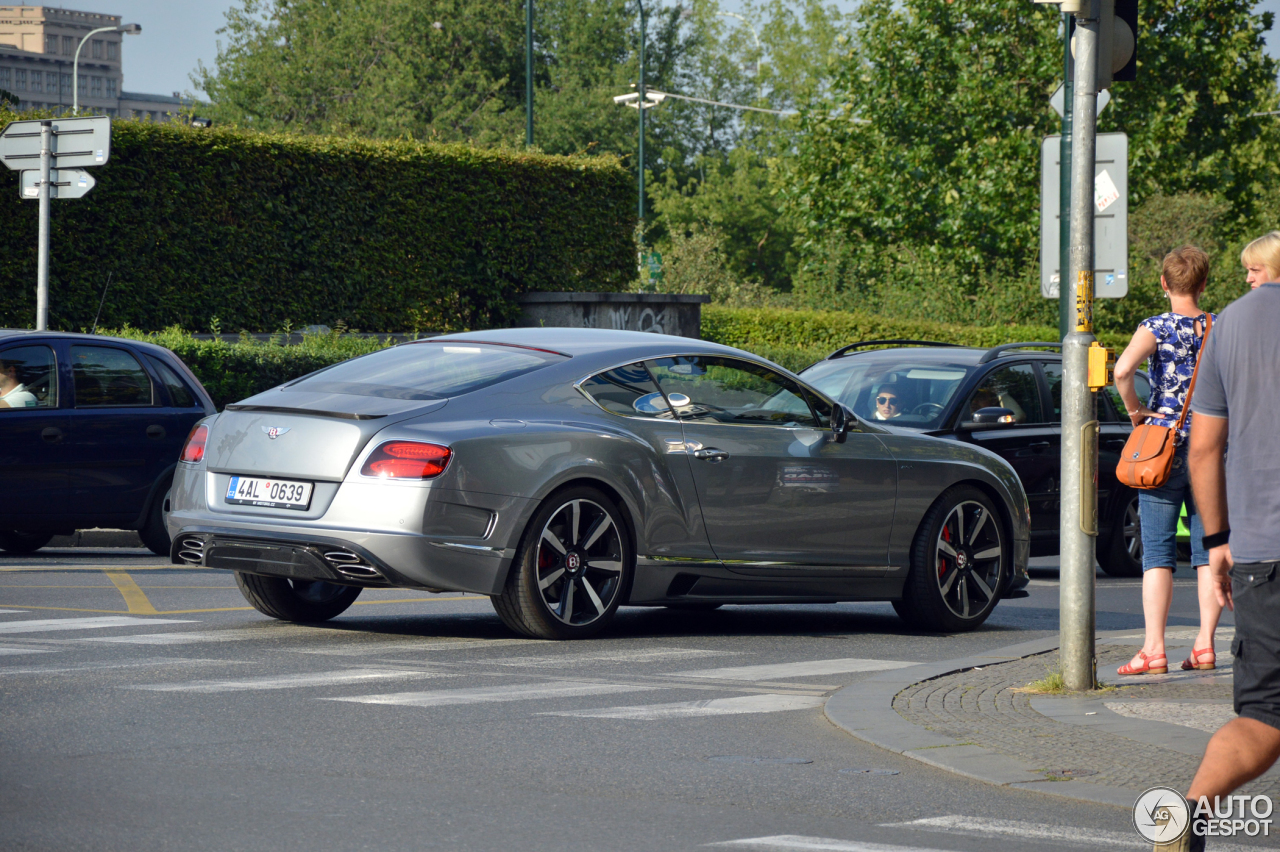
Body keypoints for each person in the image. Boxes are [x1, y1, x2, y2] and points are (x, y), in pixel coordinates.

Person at [1165, 249, 1280, 852]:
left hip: (1261, 549)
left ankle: (1185, 817)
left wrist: (1216, 544)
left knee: (1263, 713)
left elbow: (1203, 450)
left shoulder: (1228, 324)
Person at [1112, 246, 1220, 677]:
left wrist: (1137, 412)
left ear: (1163, 284)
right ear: (1204, 284)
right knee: (1208, 551)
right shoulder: (1219, 325)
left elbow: (1121, 371)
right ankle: (1205, 645)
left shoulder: (1155, 327)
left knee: (1156, 552)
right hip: (1214, 449)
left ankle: (1153, 649)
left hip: (1165, 447)